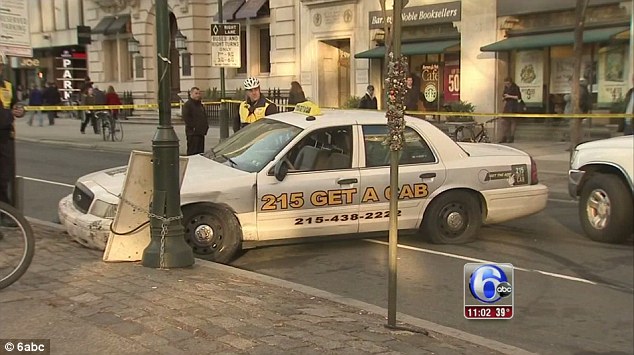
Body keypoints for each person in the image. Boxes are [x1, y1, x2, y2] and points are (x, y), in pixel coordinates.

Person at [0, 51, 26, 208]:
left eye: (0, 67)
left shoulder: (8, 85)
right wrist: (10, 114)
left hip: (6, 137)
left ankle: (6, 211)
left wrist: (20, 110)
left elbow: (17, 104)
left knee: (6, 176)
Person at [182, 86, 209, 155]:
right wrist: (194, 128)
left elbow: (203, 116)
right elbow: (186, 118)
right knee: (193, 152)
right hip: (193, 134)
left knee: (200, 152)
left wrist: (205, 127)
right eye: (196, 93)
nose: (198, 95)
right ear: (191, 94)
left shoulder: (200, 105)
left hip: (201, 133)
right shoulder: (187, 105)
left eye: (199, 93)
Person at [499, 76, 522, 143]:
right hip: (507, 105)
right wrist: (504, 98)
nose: (507, 85)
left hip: (514, 106)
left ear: (511, 83)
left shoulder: (515, 87)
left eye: (508, 84)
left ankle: (512, 137)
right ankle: (504, 136)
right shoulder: (506, 88)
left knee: (513, 121)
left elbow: (518, 97)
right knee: (504, 121)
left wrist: (509, 96)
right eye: (506, 84)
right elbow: (503, 95)